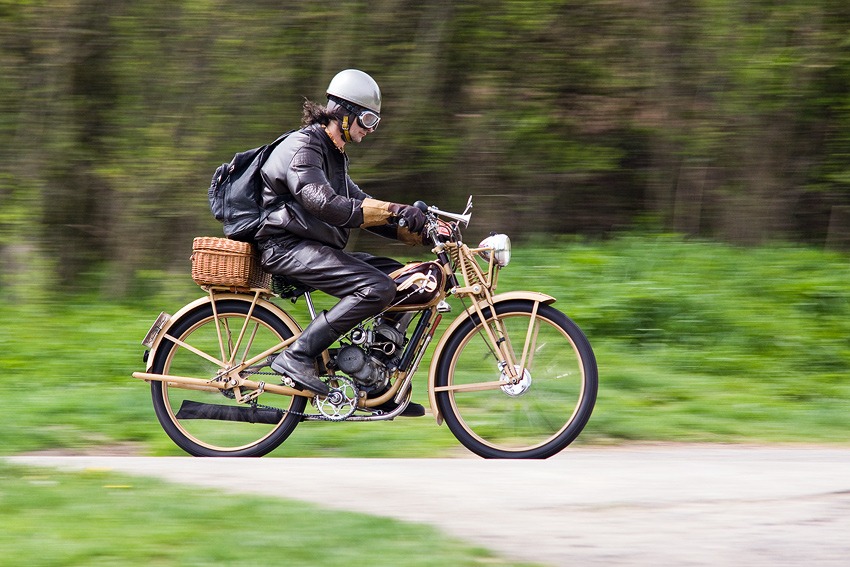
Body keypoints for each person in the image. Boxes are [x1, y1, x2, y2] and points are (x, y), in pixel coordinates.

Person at [255, 69, 427, 410]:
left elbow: (361, 207)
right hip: (284, 247)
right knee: (377, 287)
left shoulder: (333, 154)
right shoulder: (304, 147)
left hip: (309, 246)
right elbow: (323, 203)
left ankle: (372, 385)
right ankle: (298, 354)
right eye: (367, 119)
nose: (370, 129)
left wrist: (417, 229)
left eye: (375, 122)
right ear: (343, 113)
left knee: (403, 279)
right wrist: (394, 209)